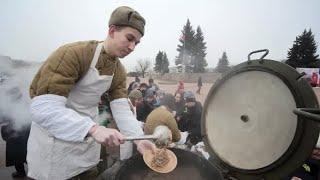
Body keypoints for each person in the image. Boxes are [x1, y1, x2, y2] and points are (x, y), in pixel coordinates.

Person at [27, 6, 155, 180]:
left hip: (86, 150)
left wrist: (139, 140)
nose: (132, 47)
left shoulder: (118, 70)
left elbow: (121, 110)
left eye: (137, 43)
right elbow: (43, 108)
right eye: (129, 38)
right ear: (112, 30)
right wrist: (93, 128)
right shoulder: (73, 54)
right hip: (54, 149)